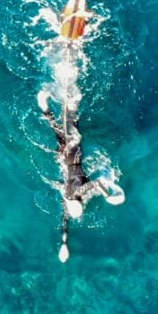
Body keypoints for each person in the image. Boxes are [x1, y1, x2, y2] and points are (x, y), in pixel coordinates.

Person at [38, 88, 124, 262]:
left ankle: (68, 98)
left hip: (72, 157)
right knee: (59, 133)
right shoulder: (67, 200)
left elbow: (98, 183)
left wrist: (108, 196)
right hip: (62, 160)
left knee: (72, 129)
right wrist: (64, 244)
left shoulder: (78, 192)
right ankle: (45, 107)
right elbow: (64, 223)